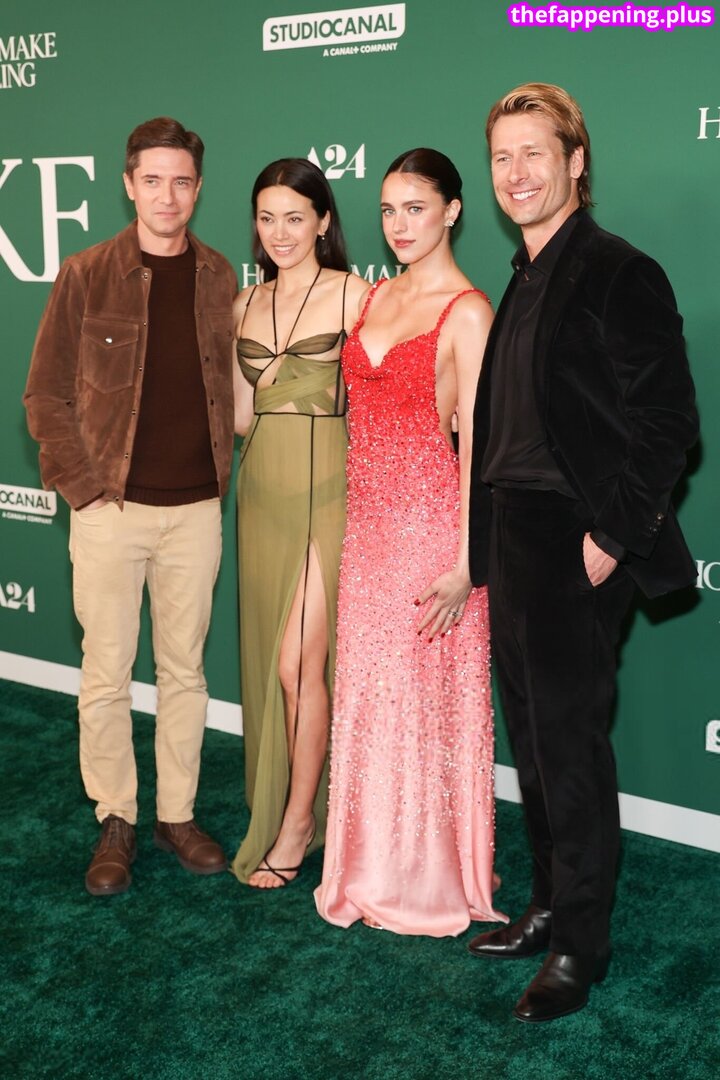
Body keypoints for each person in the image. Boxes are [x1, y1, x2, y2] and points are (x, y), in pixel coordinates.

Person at [467, 84, 698, 1021]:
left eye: (535, 153)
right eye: (502, 157)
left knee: (568, 747)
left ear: (576, 161)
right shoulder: (522, 274)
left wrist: (611, 537)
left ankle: (581, 945)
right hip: (511, 535)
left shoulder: (618, 270)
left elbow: (670, 421)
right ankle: (547, 905)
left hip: (575, 539)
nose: (517, 173)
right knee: (531, 740)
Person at [24, 117, 238, 895]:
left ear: (197, 188)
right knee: (107, 675)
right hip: (110, 510)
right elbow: (45, 395)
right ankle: (116, 816)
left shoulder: (218, 276)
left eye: (180, 181)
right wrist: (85, 492)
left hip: (197, 512)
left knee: (185, 673)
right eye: (152, 180)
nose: (166, 196)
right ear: (128, 185)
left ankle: (176, 816)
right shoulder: (87, 274)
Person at [315, 148, 505, 936]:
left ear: (452, 211)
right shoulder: (375, 296)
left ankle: (426, 876)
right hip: (368, 535)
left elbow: (482, 450)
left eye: (416, 208)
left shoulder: (469, 312)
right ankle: (367, 865)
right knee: (371, 696)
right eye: (389, 210)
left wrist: (468, 562)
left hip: (433, 534)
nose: (399, 225)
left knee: (424, 704)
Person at [230, 159, 368, 888]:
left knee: (297, 666)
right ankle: (291, 801)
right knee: (277, 666)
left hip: (329, 497)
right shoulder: (243, 306)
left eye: (294, 217)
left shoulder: (356, 296)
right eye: (266, 217)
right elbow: (241, 416)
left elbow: (389, 405)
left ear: (323, 221)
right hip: (262, 495)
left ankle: (300, 822)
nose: (279, 233)